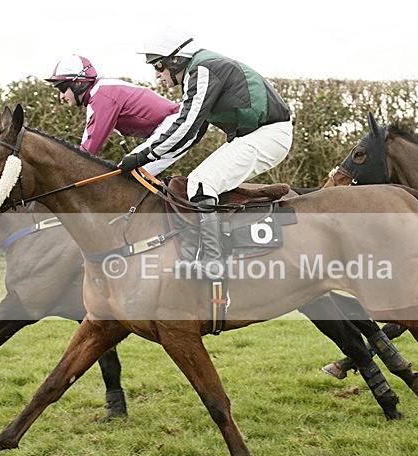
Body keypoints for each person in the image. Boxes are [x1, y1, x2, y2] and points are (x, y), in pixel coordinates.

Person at [117, 33, 293, 280]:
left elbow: (185, 125)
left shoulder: (202, 70)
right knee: (201, 181)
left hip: (269, 134)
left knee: (201, 182)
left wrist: (143, 156)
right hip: (258, 135)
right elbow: (190, 137)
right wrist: (146, 167)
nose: (157, 74)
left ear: (176, 59)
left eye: (158, 65)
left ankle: (213, 262)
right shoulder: (199, 72)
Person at [45, 54, 184, 175]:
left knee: (129, 177)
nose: (61, 96)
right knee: (129, 176)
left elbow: (86, 152)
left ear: (79, 83)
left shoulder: (101, 96)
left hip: (175, 123)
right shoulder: (100, 91)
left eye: (62, 88)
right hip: (172, 124)